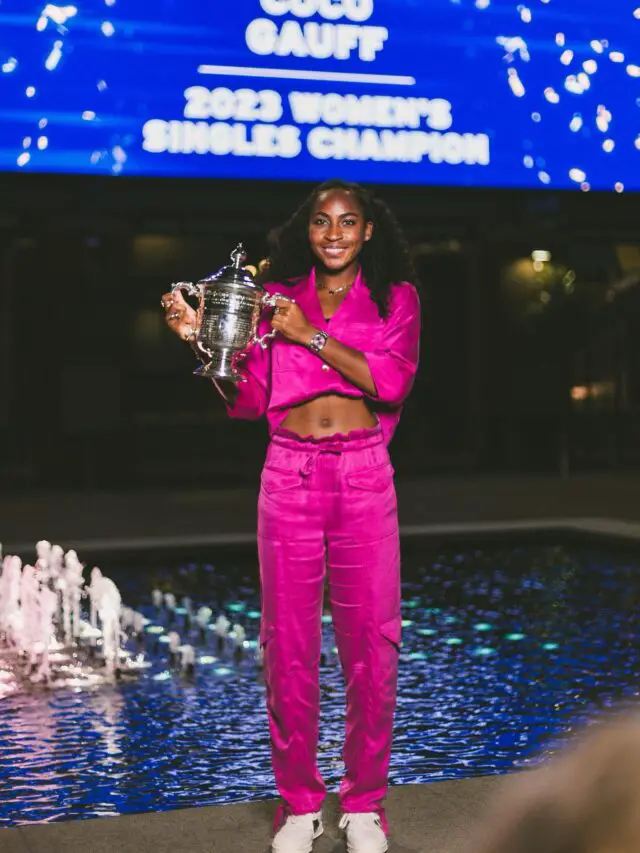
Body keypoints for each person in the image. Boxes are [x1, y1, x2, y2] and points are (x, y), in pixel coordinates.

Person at [161, 179, 421, 853]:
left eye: (347, 221)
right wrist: (201, 341)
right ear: (307, 232)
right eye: (321, 222)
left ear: (368, 231)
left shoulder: (395, 299)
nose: (333, 233)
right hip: (288, 474)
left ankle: (364, 805)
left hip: (363, 475)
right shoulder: (275, 299)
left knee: (373, 648)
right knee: (288, 649)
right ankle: (300, 804)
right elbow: (247, 398)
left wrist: (311, 335)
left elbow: (390, 382)